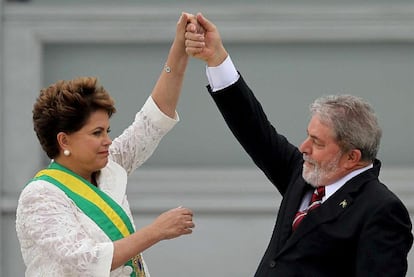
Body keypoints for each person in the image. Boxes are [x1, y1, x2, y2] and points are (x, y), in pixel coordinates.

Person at [185, 13, 413, 276]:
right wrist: (217, 60)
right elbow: (254, 130)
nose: (303, 147)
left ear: (352, 157)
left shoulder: (381, 209)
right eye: (308, 135)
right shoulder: (304, 173)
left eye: (317, 142)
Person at [15, 12, 195, 277]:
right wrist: (156, 232)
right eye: (97, 133)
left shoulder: (111, 165)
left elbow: (153, 121)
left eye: (107, 131)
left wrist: (180, 49)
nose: (107, 141)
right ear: (64, 140)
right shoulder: (40, 196)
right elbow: (86, 260)